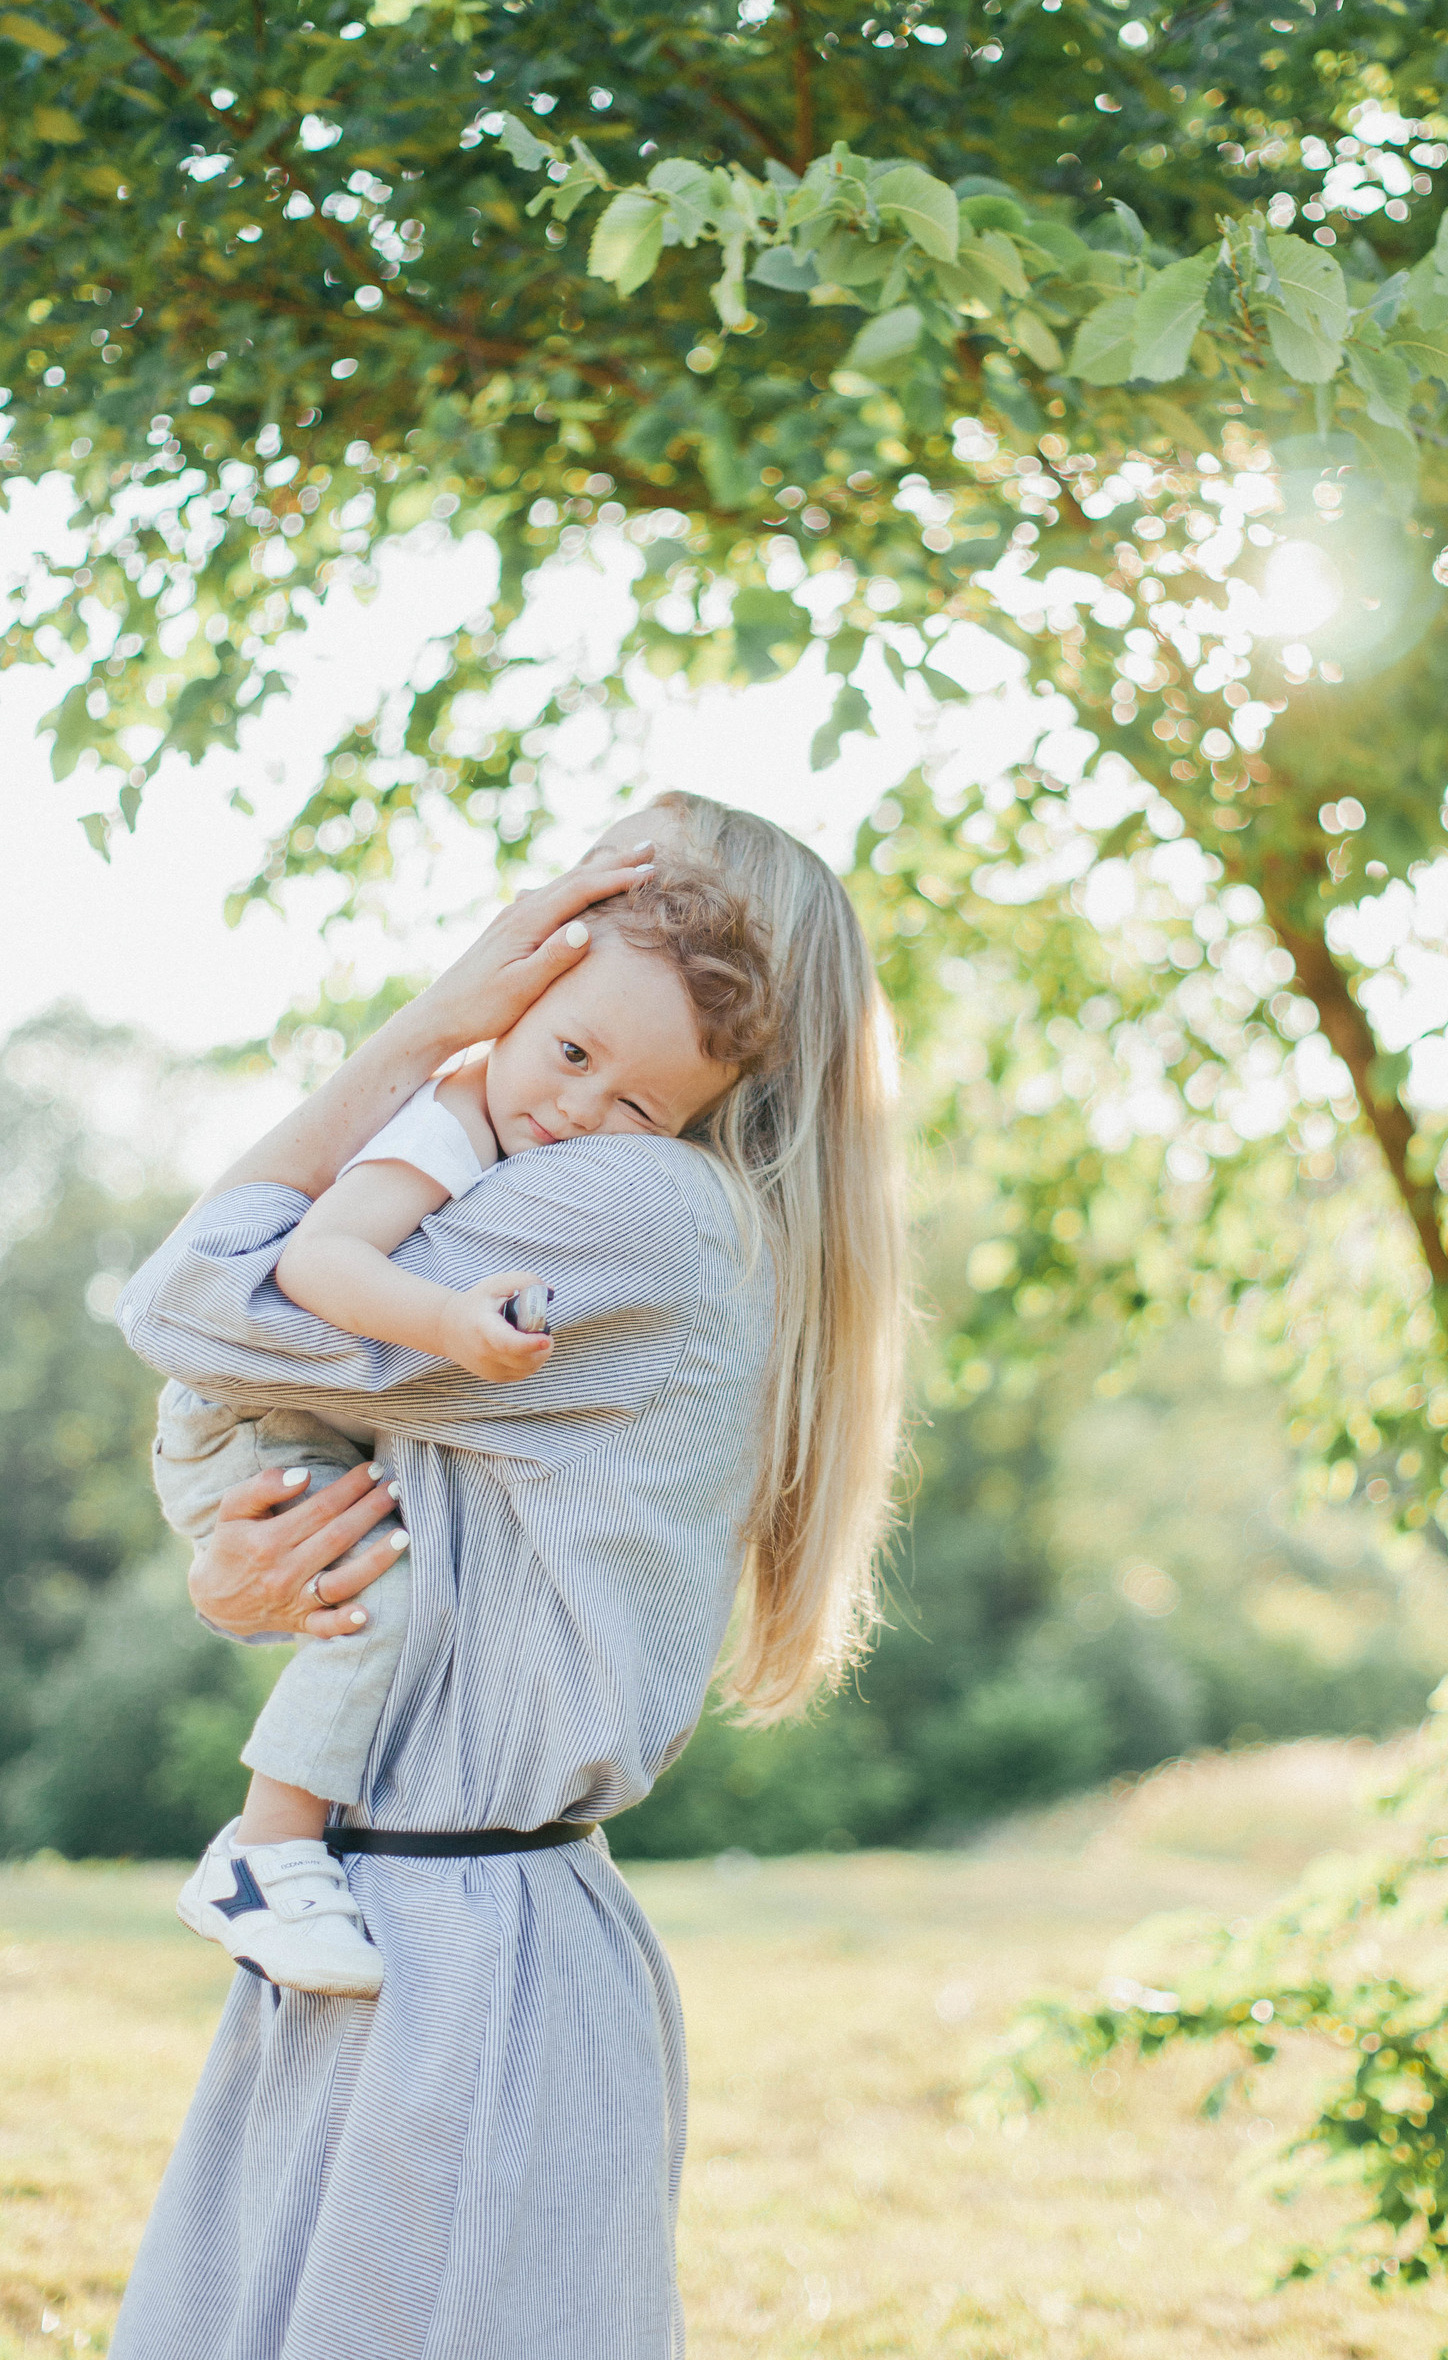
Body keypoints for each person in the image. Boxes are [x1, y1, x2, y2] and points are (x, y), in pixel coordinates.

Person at [110, 792, 907, 2360]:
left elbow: (190, 1299)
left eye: (589, 887)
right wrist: (240, 1573)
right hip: (390, 1911)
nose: (543, 914)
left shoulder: (628, 1203)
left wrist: (433, 1021)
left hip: (462, 1955)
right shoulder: (606, 1177)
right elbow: (366, 1476)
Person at [158, 860, 774, 1999]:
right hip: (249, 1419)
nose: (580, 1110)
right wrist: (448, 1321)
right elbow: (316, 1261)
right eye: (573, 1053)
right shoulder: (446, 1124)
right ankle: (262, 1855)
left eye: (638, 1110)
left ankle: (276, 1849)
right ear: (513, 1007)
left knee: (372, 1587)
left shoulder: (561, 1163)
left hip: (302, 1416)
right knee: (378, 1604)